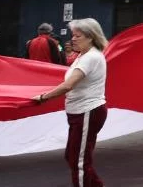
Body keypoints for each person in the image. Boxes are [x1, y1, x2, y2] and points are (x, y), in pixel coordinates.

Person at [32, 18, 108, 187]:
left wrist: (44, 97)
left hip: (88, 111)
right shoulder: (83, 55)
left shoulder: (91, 57)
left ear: (90, 37)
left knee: (79, 161)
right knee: (72, 156)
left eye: (77, 36)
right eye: (73, 35)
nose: (72, 39)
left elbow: (68, 85)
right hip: (79, 113)